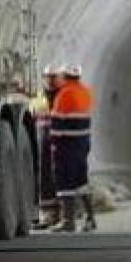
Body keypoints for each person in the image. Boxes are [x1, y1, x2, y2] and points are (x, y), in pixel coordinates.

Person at [50, 63, 95, 232]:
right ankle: (91, 218)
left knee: (65, 181)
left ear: (65, 76)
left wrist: (53, 144)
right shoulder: (86, 92)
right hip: (83, 144)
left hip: (66, 145)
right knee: (81, 180)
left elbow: (57, 124)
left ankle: (68, 221)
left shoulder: (64, 94)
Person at [30, 64, 61, 228]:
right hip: (42, 140)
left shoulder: (63, 95)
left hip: (58, 140)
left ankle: (59, 213)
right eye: (48, 77)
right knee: (43, 175)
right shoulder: (39, 96)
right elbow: (34, 115)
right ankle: (47, 214)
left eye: (53, 76)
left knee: (58, 175)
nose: (50, 80)